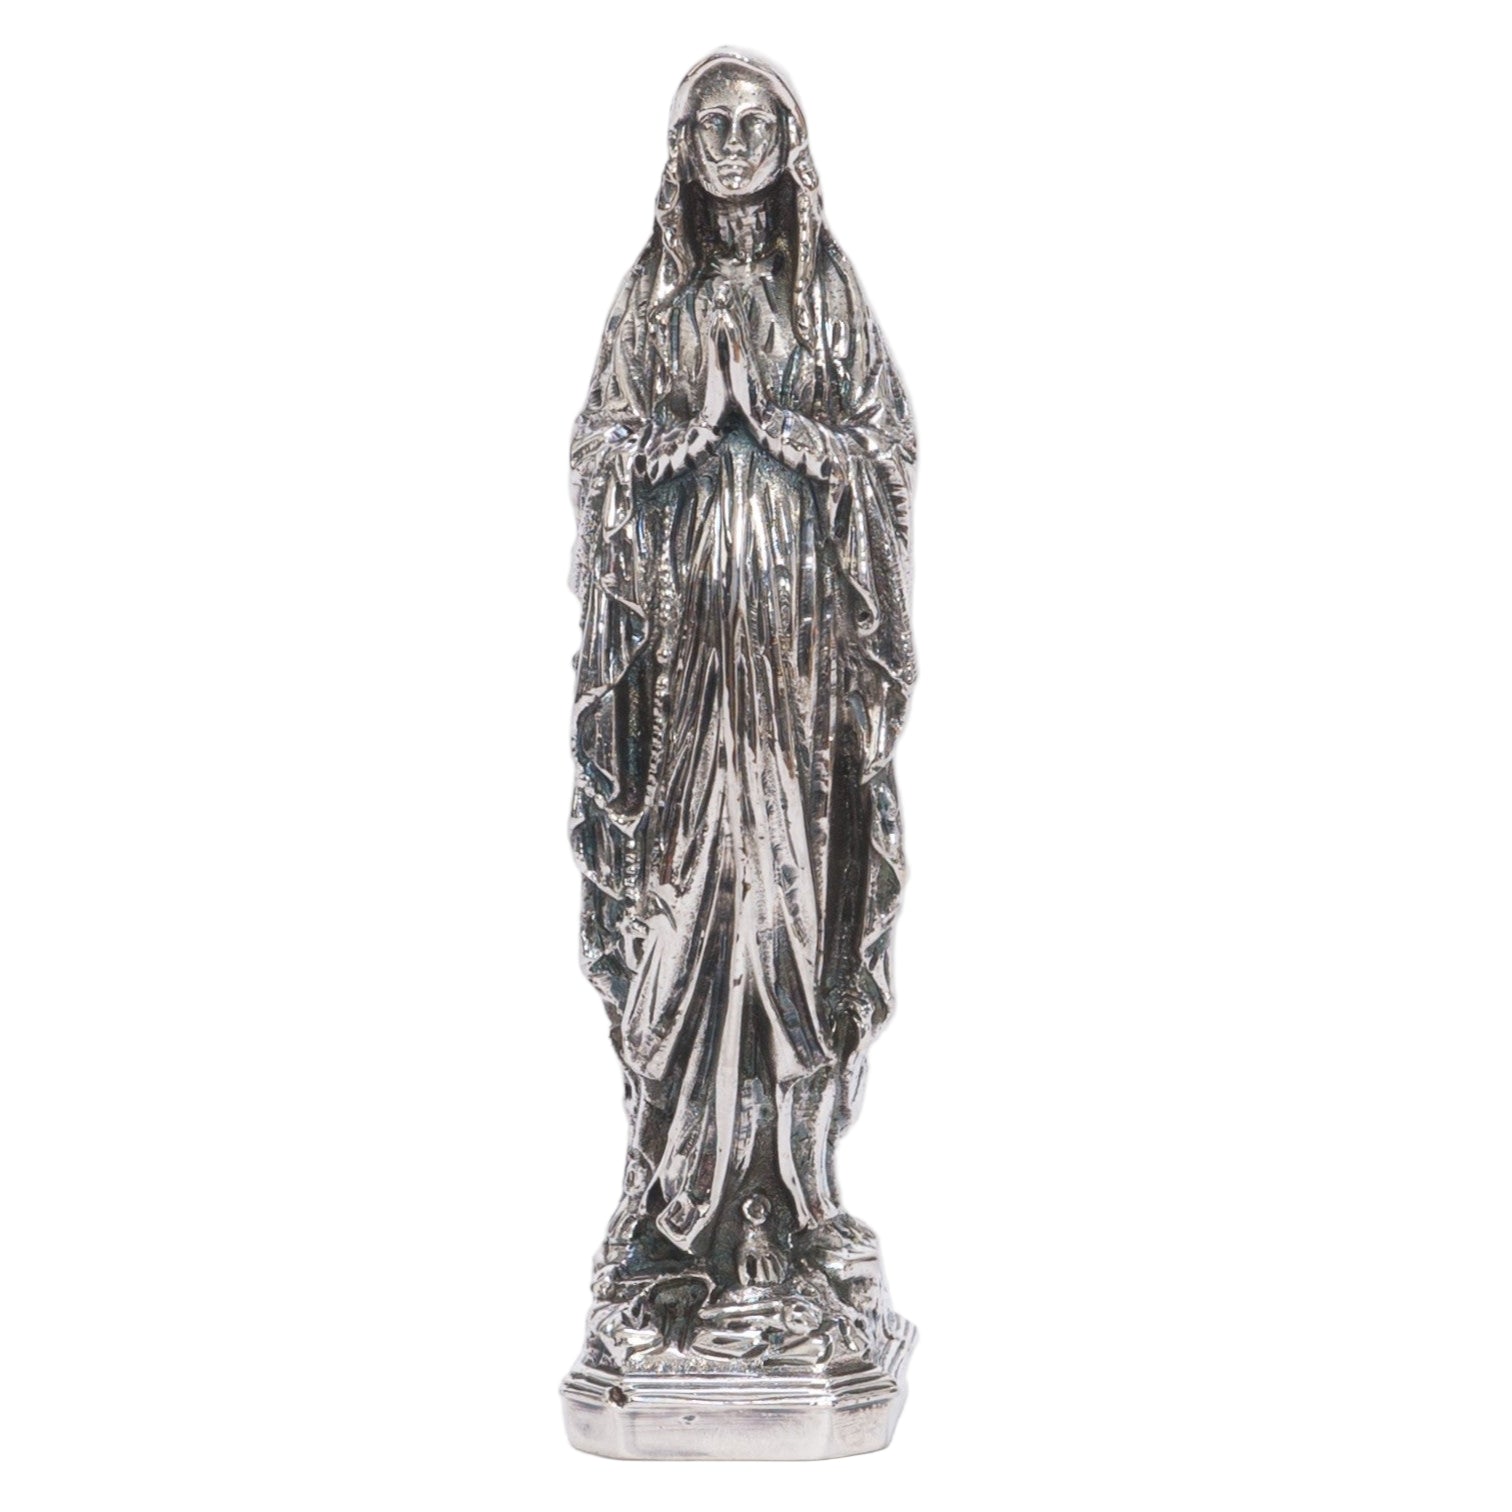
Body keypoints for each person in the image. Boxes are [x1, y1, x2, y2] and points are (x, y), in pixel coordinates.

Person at [569, 49, 916, 1281]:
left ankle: (788, 1195)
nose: (730, 144)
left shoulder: (823, 292)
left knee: (788, 906)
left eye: (751, 122)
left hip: (797, 661)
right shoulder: (652, 298)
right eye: (710, 124)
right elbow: (599, 448)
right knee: (680, 905)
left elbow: (885, 446)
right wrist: (670, 445)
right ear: (683, 148)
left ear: (787, 144)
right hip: (685, 662)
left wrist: (786, 435)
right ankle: (676, 1199)